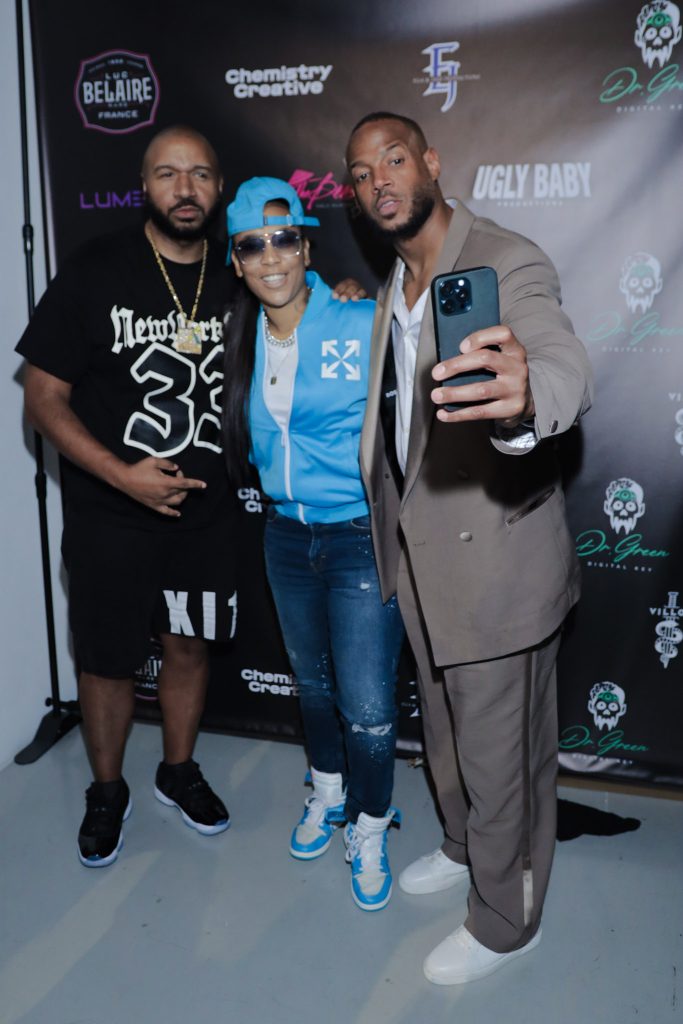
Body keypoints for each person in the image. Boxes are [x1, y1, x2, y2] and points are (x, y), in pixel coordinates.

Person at [345, 113, 592, 980]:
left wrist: (525, 402)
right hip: (418, 557)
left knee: (501, 757)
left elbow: (555, 357)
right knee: (446, 734)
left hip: (495, 562)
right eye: (361, 172)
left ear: (431, 162)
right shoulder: (395, 279)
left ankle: (505, 921)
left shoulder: (505, 259)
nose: (378, 180)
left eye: (394, 159)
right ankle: (460, 845)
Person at [16, 126, 239, 867]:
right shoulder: (95, 267)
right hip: (110, 511)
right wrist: (122, 475)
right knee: (107, 659)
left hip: (206, 511)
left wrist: (341, 293)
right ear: (144, 185)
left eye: (199, 174)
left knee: (188, 643)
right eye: (168, 174)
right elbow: (41, 399)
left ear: (218, 188)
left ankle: (178, 771)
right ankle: (107, 790)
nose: (185, 188)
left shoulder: (242, 270)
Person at [222, 177, 404, 911]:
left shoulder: (360, 319)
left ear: (305, 247)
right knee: (313, 685)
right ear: (236, 261)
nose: (269, 257)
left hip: (358, 534)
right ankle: (327, 789)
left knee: (368, 705)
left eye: (283, 239)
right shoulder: (240, 336)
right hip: (285, 536)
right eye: (251, 245)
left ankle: (370, 823)